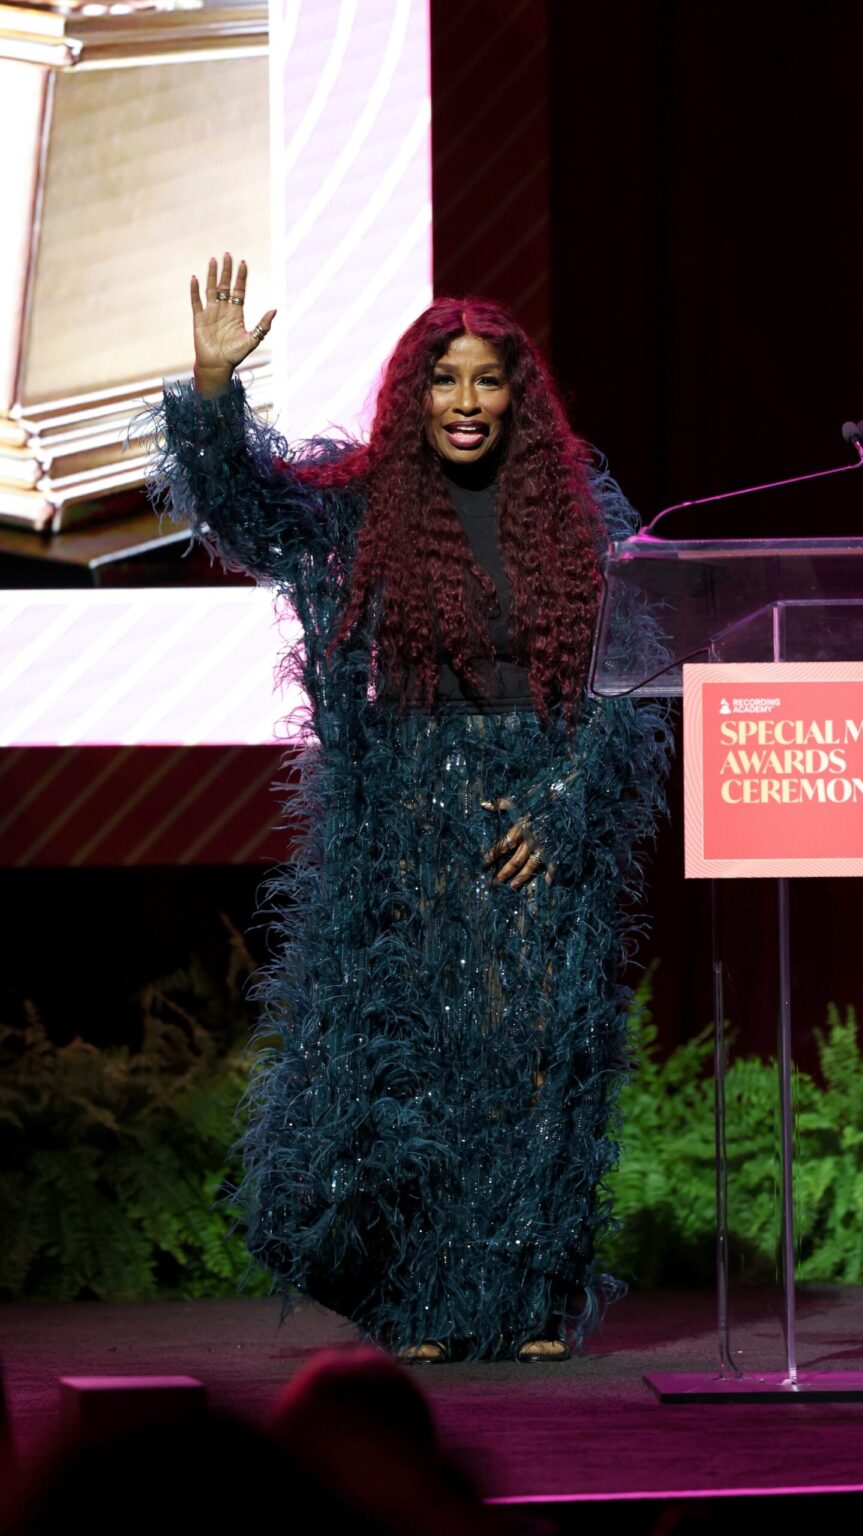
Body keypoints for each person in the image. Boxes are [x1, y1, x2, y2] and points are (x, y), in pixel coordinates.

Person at [140, 254, 672, 1362]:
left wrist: (567, 802)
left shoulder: (578, 516)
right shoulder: (361, 508)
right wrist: (209, 389)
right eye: (445, 383)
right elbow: (244, 509)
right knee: (413, 1067)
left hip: (535, 812)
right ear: (412, 396)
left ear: (517, 400)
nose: (466, 404)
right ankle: (416, 1301)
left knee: (534, 1058)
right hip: (406, 823)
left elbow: (629, 678)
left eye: (487, 383)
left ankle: (525, 1297)